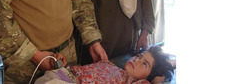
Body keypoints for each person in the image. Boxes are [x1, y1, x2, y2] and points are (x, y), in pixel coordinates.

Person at [35, 46, 174, 84]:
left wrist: (157, 77)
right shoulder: (107, 63)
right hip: (61, 75)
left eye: (145, 64)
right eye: (138, 56)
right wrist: (61, 64)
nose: (137, 60)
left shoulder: (131, 81)